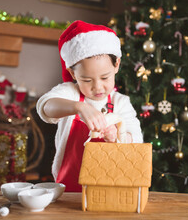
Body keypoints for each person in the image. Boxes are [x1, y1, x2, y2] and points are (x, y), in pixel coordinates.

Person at [36, 20, 143, 192]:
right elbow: (45, 107)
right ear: (73, 73)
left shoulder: (120, 102)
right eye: (87, 80)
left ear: (116, 65)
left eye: (105, 77)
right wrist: (79, 107)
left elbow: (136, 139)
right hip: (68, 187)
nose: (98, 87)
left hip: (110, 185)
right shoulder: (70, 93)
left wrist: (118, 135)